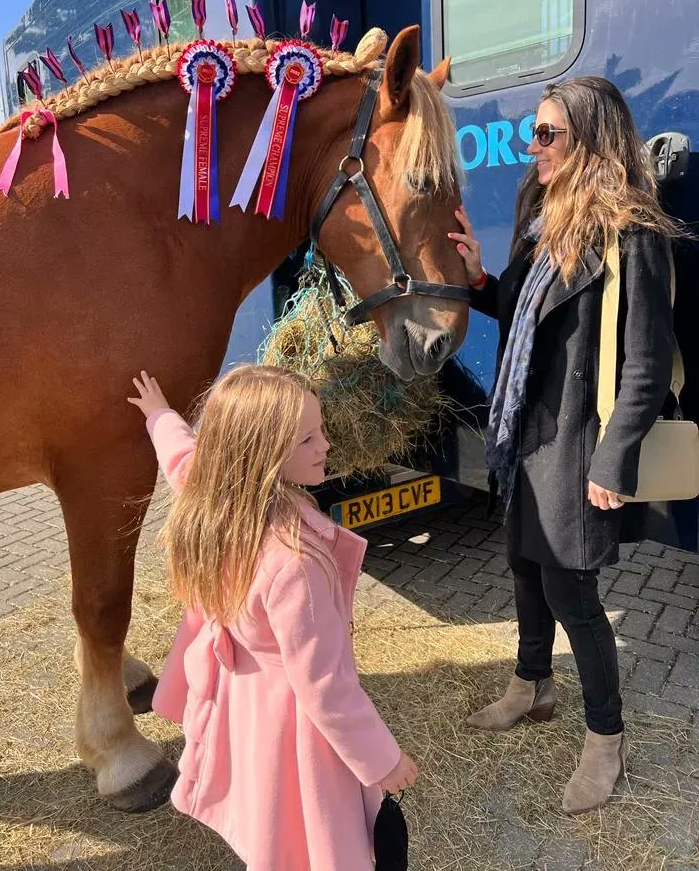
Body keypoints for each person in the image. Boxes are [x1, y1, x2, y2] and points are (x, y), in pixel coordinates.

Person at [448, 76, 677, 814]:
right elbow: (517, 308)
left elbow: (645, 363)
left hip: (577, 441)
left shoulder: (629, 232)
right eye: (532, 133)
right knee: (521, 565)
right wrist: (477, 276)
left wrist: (615, 460)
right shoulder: (547, 218)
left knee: (571, 593)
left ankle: (605, 740)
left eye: (547, 134)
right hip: (525, 432)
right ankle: (532, 686)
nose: (532, 146)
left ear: (590, 138)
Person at [128, 366, 417, 871]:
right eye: (307, 438)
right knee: (316, 831)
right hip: (296, 726)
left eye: (321, 428)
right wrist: (383, 761)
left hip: (245, 705)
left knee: (264, 814)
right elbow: (326, 687)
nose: (325, 445)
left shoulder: (216, 504)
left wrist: (161, 417)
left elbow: (185, 459)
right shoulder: (294, 563)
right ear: (260, 454)